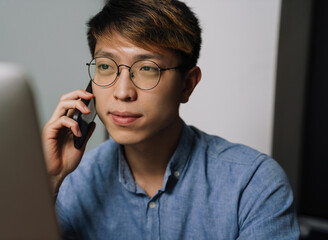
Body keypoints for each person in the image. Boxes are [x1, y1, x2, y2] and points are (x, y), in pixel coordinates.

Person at [42, 0, 300, 239]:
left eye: (146, 69)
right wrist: (51, 179)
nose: (122, 92)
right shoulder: (72, 183)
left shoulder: (253, 184)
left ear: (187, 84)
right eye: (106, 66)